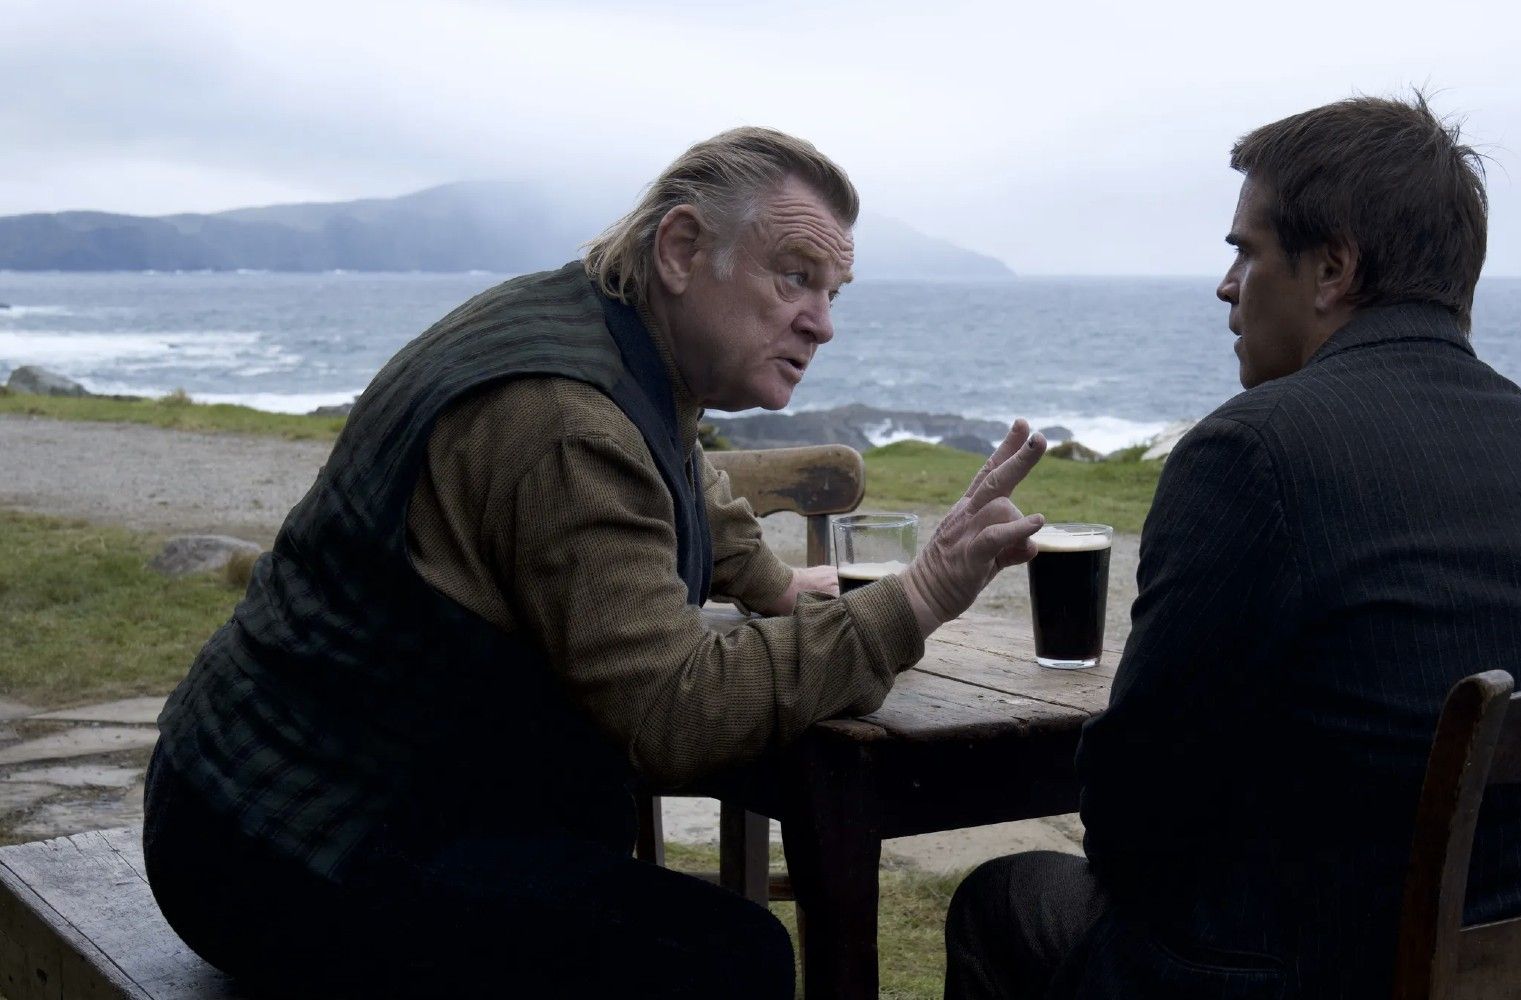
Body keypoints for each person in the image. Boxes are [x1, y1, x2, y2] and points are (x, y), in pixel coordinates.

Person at [143, 127, 1048, 998]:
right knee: (726, 961)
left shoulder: (601, 333)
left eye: (832, 293)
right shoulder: (566, 418)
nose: (821, 325)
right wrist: (918, 597)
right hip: (284, 842)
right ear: (683, 249)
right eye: (793, 277)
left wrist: (771, 585)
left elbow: (680, 468)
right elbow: (673, 711)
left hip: (261, 794)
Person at [944, 95, 1521, 998]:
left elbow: (1133, 808)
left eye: (1246, 250)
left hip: (1324, 976)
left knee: (1005, 901)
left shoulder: (1254, 453)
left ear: (1332, 270)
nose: (1227, 284)